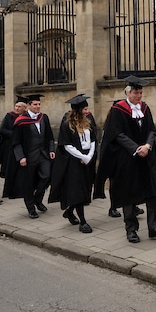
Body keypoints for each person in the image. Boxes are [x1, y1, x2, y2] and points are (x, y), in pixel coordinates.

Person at [96, 79, 156, 243]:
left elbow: (152, 129)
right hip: (128, 158)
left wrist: (148, 145)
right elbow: (117, 134)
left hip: (146, 157)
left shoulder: (145, 107)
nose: (139, 96)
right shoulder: (118, 110)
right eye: (136, 92)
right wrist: (136, 148)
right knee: (128, 194)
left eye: (141, 92)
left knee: (152, 193)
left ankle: (154, 227)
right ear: (127, 93)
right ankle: (131, 229)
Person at [50, 94, 98, 233]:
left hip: (87, 160)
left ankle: (69, 211)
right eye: (84, 109)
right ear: (78, 110)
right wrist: (82, 156)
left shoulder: (88, 122)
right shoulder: (67, 125)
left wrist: (89, 156)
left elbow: (94, 140)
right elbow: (66, 145)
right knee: (77, 190)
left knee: (85, 189)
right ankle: (83, 222)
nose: (86, 111)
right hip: (74, 162)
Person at [3, 94, 56, 218]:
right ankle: (31, 207)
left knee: (46, 177)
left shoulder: (44, 118)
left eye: (39, 104)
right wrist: (21, 157)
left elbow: (49, 136)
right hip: (29, 156)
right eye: (35, 104)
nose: (38, 107)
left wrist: (51, 149)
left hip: (43, 155)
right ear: (28, 106)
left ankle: (38, 199)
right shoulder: (21, 121)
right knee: (29, 183)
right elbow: (16, 142)